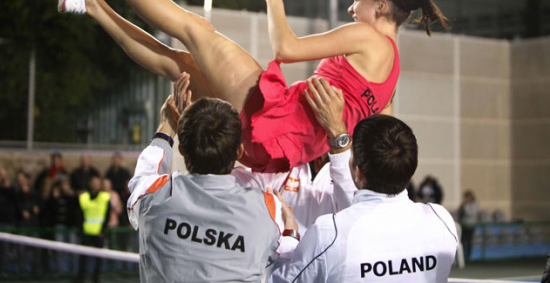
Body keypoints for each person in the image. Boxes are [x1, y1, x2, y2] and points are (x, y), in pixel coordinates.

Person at [59, 0, 448, 173]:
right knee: (179, 66)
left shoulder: (368, 37)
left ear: (380, 8)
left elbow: (287, 49)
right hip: (275, 151)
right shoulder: (392, 70)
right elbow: (374, 139)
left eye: (357, 0)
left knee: (195, 31)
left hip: (271, 119)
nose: (352, 10)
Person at [127, 92, 295, 282]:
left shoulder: (152, 196)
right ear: (239, 151)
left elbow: (145, 174)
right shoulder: (267, 209)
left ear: (181, 150)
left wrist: (166, 128)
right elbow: (286, 257)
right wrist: (292, 234)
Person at [271, 115, 458, 282]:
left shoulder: (328, 233)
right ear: (410, 171)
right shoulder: (442, 221)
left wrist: (290, 236)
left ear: (358, 173)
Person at [173, 72, 356, 235]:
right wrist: (195, 133)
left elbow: (355, 210)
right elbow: (216, 187)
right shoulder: (276, 168)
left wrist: (338, 134)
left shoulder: (359, 169)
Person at [76, 176, 110, 283]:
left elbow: (107, 215)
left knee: (98, 260)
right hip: (86, 232)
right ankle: (80, 278)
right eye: (93, 182)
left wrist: (103, 231)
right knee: (83, 259)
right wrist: (81, 231)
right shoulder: (83, 197)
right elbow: (79, 216)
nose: (95, 184)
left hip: (98, 233)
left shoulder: (105, 197)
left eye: (97, 182)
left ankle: (96, 279)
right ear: (90, 183)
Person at [457, 190, 478, 262]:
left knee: (469, 242)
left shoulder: (474, 204)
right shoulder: (463, 204)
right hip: (464, 225)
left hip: (470, 225)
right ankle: (462, 258)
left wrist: (466, 205)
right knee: (463, 241)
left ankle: (468, 257)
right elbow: (459, 212)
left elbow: (470, 213)